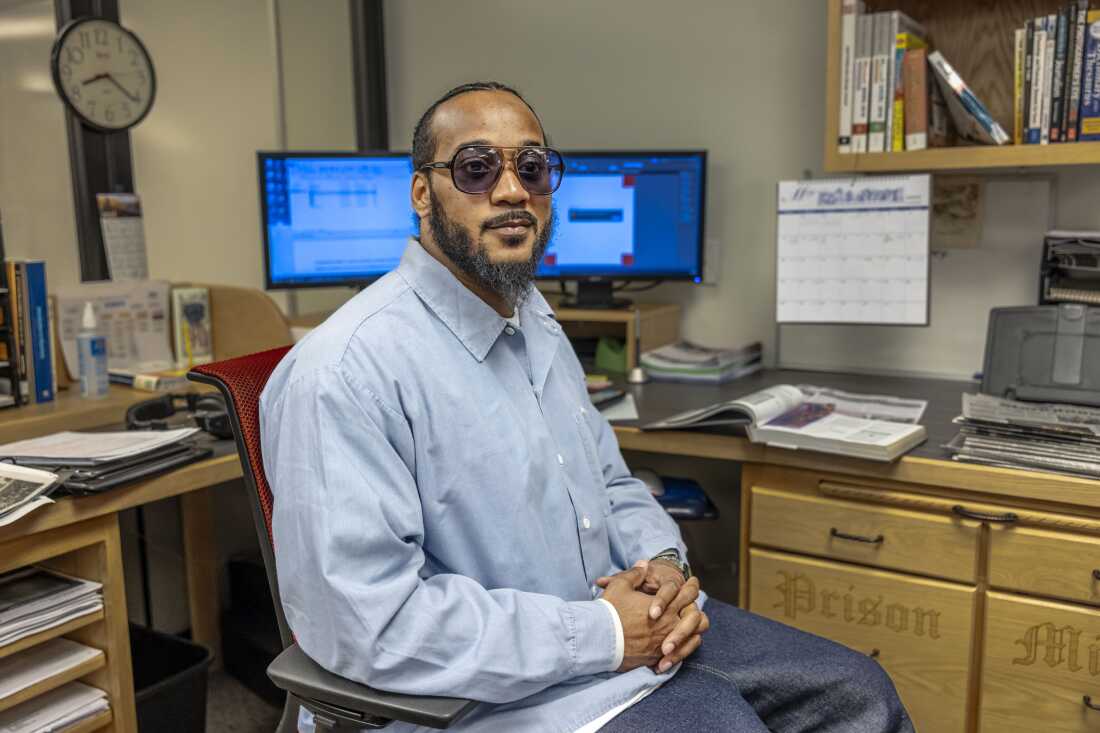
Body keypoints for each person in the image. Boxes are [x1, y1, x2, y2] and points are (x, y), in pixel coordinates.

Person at [259, 80, 914, 733]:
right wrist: (600, 632)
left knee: (861, 695)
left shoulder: (534, 321)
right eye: (477, 167)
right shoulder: (345, 372)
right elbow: (369, 625)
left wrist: (664, 563)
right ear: (422, 194)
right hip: (482, 695)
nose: (513, 189)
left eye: (533, 167)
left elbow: (609, 483)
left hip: (616, 635)